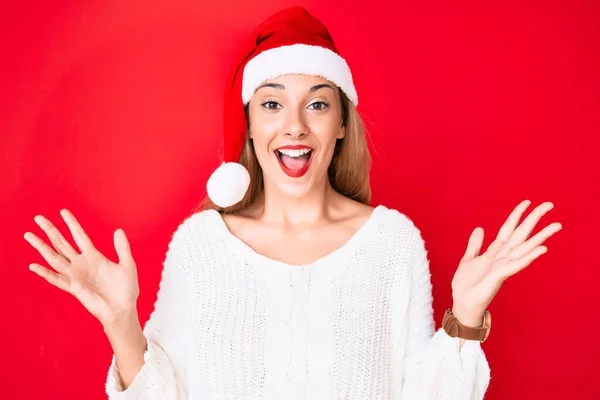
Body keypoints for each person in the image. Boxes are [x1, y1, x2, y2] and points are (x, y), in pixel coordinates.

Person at [24, 6, 562, 400]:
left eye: (318, 104)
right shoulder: (200, 247)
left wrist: (465, 317)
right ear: (252, 125)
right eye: (273, 102)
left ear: (342, 125)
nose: (295, 126)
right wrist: (122, 325)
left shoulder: (393, 243)